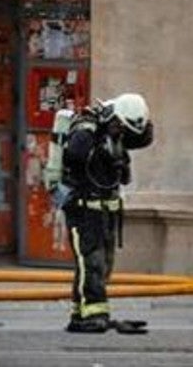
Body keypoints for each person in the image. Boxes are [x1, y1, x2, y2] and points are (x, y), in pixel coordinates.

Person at [57, 93, 153, 333]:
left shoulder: (116, 138)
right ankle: (94, 315)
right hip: (83, 211)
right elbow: (76, 155)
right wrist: (92, 129)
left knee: (103, 266)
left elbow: (142, 141)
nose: (121, 131)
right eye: (119, 126)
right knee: (91, 263)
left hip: (107, 214)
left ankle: (82, 314)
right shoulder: (86, 132)